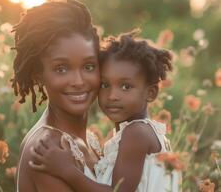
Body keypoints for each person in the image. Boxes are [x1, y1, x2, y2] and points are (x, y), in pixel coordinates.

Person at [29, 31, 182, 191]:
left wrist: (67, 170)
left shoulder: (136, 133)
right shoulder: (137, 133)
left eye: (126, 86)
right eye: (105, 85)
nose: (112, 96)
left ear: (151, 93)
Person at [11, 0, 101, 192]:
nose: (78, 81)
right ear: (38, 75)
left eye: (89, 66)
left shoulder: (86, 139)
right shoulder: (46, 149)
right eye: (61, 69)